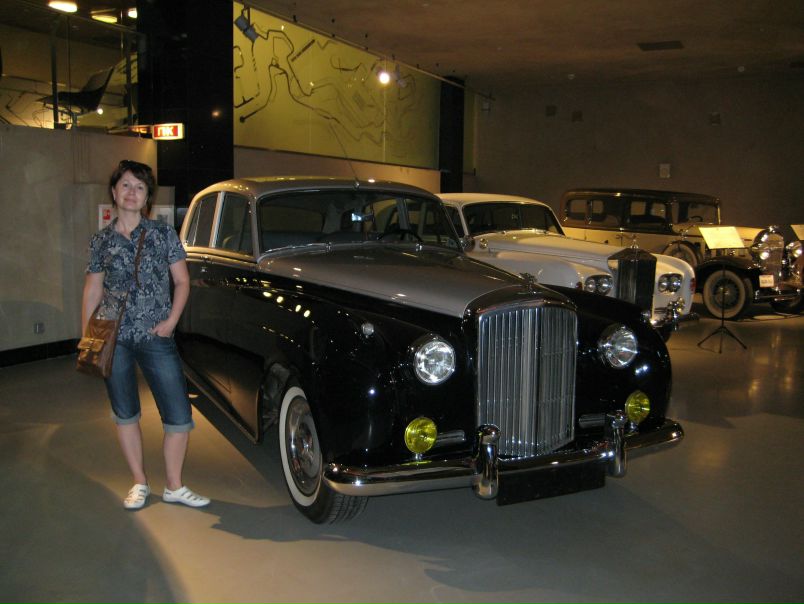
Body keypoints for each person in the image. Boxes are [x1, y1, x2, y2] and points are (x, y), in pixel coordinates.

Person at [81, 159, 209, 510]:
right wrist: (88, 336)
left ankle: (174, 486)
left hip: (157, 334)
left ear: (147, 196)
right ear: (114, 192)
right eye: (125, 185)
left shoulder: (163, 235)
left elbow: (182, 281)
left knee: (179, 415)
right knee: (125, 413)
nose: (132, 192)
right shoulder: (101, 240)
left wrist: (171, 321)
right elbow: (92, 289)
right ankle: (139, 482)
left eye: (139, 187)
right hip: (115, 337)